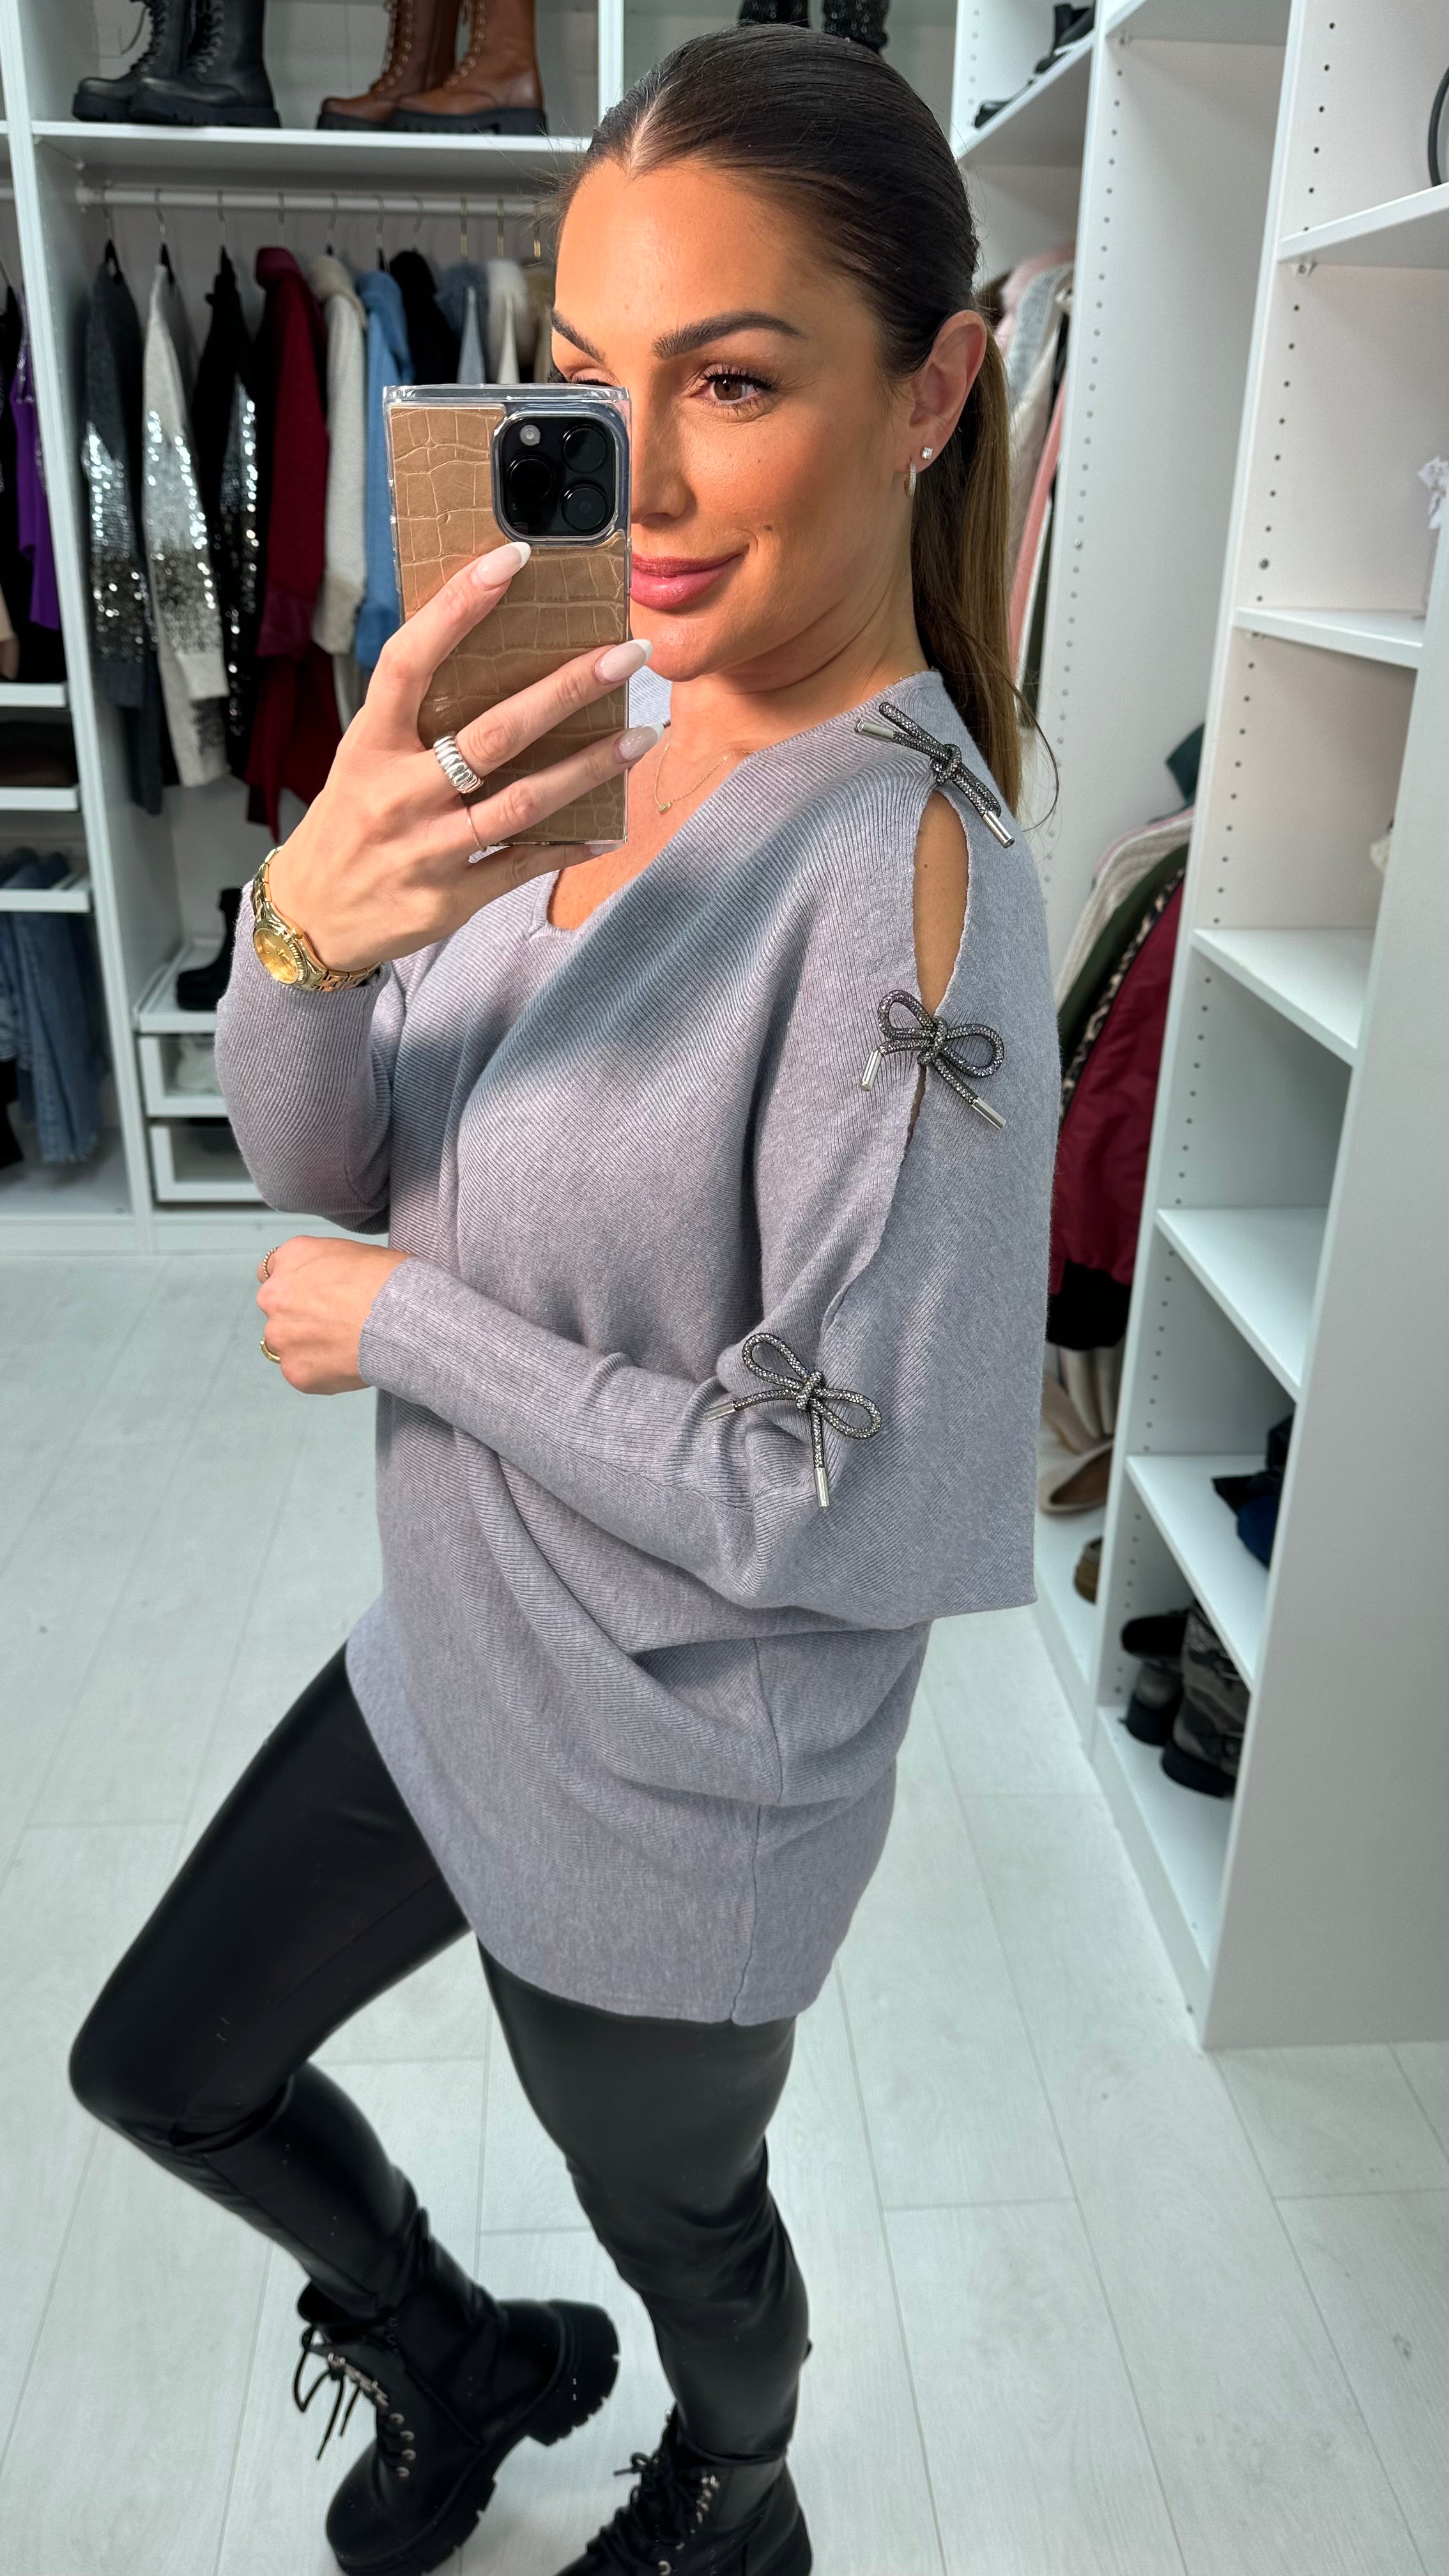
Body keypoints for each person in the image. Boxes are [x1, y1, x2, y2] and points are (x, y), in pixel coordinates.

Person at [68, 26, 1058, 2576]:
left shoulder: (915, 902)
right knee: (160, 2068)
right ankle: (452, 2351)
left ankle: (737, 2491)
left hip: (673, 1792)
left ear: (934, 389)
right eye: (598, 384)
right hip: (453, 1661)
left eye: (735, 380)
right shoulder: (583, 702)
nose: (651, 482)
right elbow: (342, 1153)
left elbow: (828, 1496)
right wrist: (309, 926)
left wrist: (399, 1330)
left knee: (684, 2233)